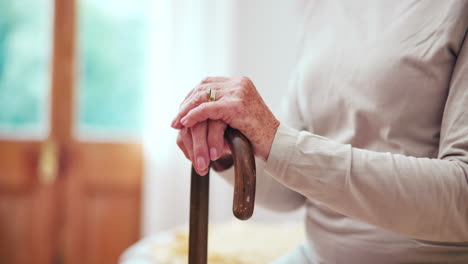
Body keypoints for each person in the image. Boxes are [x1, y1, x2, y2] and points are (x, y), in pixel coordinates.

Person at [171, 1, 468, 263]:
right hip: (315, 256)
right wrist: (229, 153)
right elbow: (293, 189)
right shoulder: (319, 7)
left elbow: (462, 198)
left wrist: (275, 139)